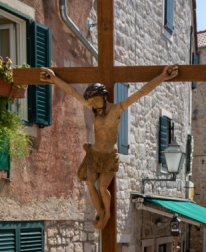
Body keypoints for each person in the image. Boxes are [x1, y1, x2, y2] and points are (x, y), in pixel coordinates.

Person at [40, 65, 178, 229]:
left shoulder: (117, 109)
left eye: (96, 100)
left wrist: (162, 77)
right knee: (90, 184)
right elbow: (73, 93)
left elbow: (141, 92)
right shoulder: (94, 109)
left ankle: (108, 213)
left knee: (103, 187)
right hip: (94, 154)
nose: (95, 104)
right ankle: (101, 212)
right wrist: (54, 79)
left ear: (104, 97)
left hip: (109, 156)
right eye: (92, 102)